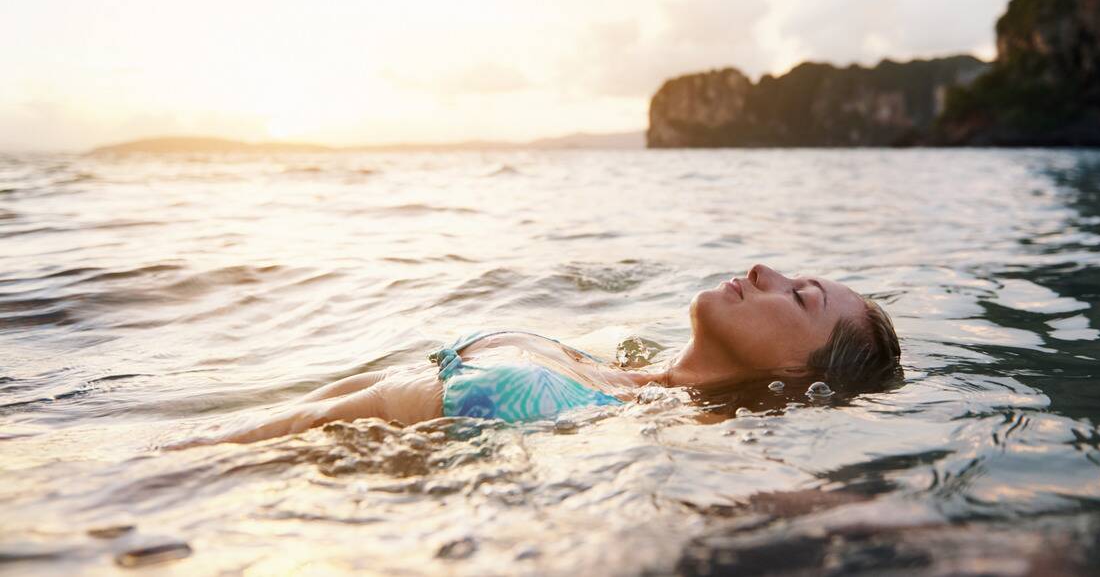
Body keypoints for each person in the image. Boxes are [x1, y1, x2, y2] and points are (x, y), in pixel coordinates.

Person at [186, 264, 901, 445]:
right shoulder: (613, 372)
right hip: (160, 465)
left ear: (797, 375)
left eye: (801, 297)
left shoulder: (587, 414)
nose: (761, 272)